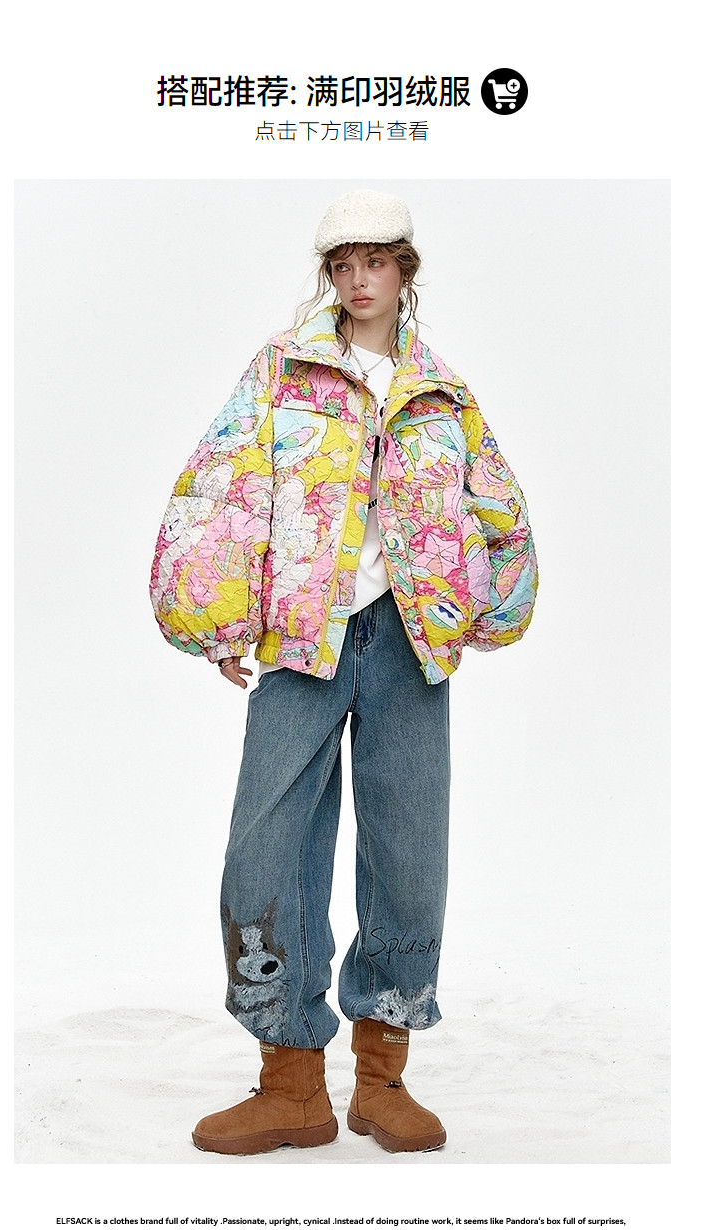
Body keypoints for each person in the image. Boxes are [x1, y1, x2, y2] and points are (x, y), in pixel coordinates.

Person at [150, 189, 538, 1156]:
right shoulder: (283, 370)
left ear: (406, 271)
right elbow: (222, 482)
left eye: (377, 261)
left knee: (409, 853)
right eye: (343, 264)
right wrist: (213, 614)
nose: (359, 279)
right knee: (267, 848)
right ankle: (290, 1084)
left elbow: (496, 503)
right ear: (330, 274)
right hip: (302, 636)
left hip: (408, 640)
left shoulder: (442, 394)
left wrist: (486, 606)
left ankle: (380, 1080)